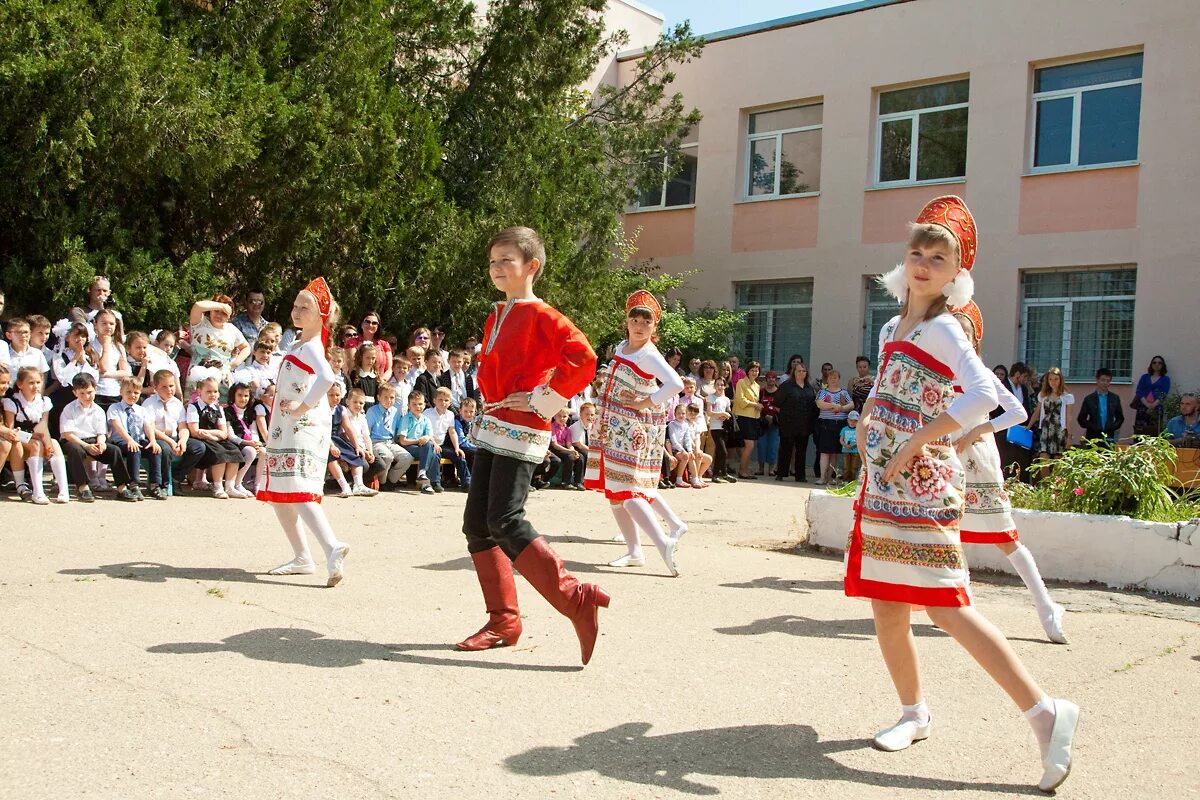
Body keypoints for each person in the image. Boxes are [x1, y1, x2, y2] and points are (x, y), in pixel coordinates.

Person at [850, 196, 1077, 793]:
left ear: (955, 274)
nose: (924, 263)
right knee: (888, 609)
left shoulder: (946, 326)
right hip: (883, 487)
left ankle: (1044, 712)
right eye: (917, 253)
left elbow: (982, 397)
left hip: (921, 488)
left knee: (947, 606)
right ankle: (912, 712)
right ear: (905, 261)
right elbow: (893, 389)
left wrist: (915, 442)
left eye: (938, 256)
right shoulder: (890, 327)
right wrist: (873, 416)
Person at [455, 226, 608, 665]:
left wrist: (545, 397)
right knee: (477, 524)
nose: (497, 267)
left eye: (507, 260)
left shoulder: (543, 315)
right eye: (492, 261)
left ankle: (576, 597)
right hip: (494, 420)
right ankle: (504, 620)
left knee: (503, 518)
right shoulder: (497, 313)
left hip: (522, 424)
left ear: (531, 266)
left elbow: (583, 357)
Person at [950, 301, 1066, 644]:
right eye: (952, 332)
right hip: (944, 460)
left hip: (978, 460)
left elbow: (1016, 411)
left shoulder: (981, 373)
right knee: (949, 534)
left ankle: (1046, 606)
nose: (959, 338)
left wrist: (978, 430)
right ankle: (961, 603)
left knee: (1004, 537)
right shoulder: (938, 374)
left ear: (974, 340)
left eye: (965, 332)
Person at [585, 290, 687, 576]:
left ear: (654, 327)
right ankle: (634, 551)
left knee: (629, 492)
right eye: (635, 318)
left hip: (631, 431)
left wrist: (645, 402)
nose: (640, 324)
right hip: (613, 428)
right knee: (614, 493)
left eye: (647, 321)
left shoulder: (648, 354)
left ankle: (663, 543)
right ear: (627, 321)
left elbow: (675, 383)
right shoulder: (622, 347)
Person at [257, 278, 351, 587]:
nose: (296, 311)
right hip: (287, 428)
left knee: (296, 489)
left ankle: (330, 547)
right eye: (296, 306)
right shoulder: (301, 344)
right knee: (283, 494)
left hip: (298, 428)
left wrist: (303, 407)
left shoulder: (311, 347)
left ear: (321, 315)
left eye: (304, 307)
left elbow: (327, 377)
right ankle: (302, 556)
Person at [58, 373, 136, 503]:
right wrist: (86, 446)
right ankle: (83, 487)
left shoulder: (98, 410)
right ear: (75, 393)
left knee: (114, 451)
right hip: (74, 440)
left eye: (89, 392)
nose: (87, 397)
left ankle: (122, 487)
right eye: (82, 393)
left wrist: (101, 443)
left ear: (95, 389)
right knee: (76, 451)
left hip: (93, 440)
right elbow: (68, 434)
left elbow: (101, 432)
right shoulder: (69, 409)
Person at [3, 366, 70, 503]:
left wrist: (49, 445)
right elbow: (11, 430)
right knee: (36, 444)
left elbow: (43, 426)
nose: (35, 386)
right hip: (19, 437)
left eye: (38, 383)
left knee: (55, 444)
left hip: (38, 436)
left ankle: (64, 490)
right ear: (20, 384)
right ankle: (38, 492)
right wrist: (31, 436)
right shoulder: (12, 402)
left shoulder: (44, 402)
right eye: (31, 383)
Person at [186, 377, 245, 499]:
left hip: (216, 439)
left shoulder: (218, 409)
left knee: (234, 451)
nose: (212, 395)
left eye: (215, 391)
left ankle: (230, 486)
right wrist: (213, 434)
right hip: (201, 441)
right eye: (208, 391)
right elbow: (195, 431)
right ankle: (217, 486)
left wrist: (209, 433)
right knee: (220, 453)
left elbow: (224, 433)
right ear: (199, 391)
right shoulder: (193, 407)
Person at [106, 376, 160, 501]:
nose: (132, 395)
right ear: (121, 392)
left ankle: (154, 484)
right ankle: (134, 484)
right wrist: (129, 440)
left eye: (136, 392)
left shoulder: (142, 410)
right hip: (121, 440)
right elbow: (117, 425)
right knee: (134, 450)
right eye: (128, 392)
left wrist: (153, 440)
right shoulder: (114, 408)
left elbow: (147, 426)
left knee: (154, 449)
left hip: (138, 439)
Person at [188, 295, 249, 395]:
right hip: (198, 376)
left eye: (224, 313)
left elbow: (246, 347)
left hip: (222, 378)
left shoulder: (232, 329)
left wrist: (235, 363)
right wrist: (222, 306)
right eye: (216, 311)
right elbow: (197, 306)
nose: (219, 315)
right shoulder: (200, 323)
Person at [143, 369, 187, 498]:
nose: (169, 390)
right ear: (155, 387)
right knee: (166, 449)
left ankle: (177, 478)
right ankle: (163, 485)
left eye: (171, 386)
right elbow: (150, 428)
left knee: (198, 448)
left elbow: (183, 426)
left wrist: (182, 441)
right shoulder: (148, 404)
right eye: (164, 387)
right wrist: (171, 442)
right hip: (157, 437)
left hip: (174, 437)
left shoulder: (177, 404)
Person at [365, 383, 413, 490]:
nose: (389, 400)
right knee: (388, 456)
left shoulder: (396, 412)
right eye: (385, 397)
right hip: (376, 441)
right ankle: (382, 482)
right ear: (378, 397)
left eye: (392, 397)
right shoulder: (372, 411)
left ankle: (391, 480)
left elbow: (396, 430)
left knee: (407, 457)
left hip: (390, 442)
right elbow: (367, 431)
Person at [1026, 367, 1074, 474]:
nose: (1053, 382)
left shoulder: (1067, 397)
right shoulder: (1042, 395)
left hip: (1060, 430)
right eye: (1050, 379)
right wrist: (1029, 426)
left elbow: (1069, 417)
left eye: (1056, 379)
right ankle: (1045, 486)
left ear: (1060, 380)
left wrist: (1070, 436)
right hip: (1045, 429)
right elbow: (1037, 412)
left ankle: (1055, 488)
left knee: (1058, 462)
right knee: (1044, 459)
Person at [775, 361, 817, 482]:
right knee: (785, 449)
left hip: (804, 425)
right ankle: (781, 473)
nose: (801, 373)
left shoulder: (809, 387)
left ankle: (800, 476)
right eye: (799, 371)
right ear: (794, 372)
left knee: (801, 451)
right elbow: (777, 404)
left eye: (804, 371)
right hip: (788, 424)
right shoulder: (787, 386)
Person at [425, 386, 470, 491]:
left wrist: (457, 447)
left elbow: (452, 431)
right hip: (430, 442)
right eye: (440, 400)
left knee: (459, 455)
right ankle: (435, 482)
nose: (443, 402)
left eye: (446, 400)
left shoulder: (450, 415)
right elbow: (425, 431)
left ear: (450, 402)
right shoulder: (428, 413)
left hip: (442, 444)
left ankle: (466, 482)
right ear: (434, 400)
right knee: (435, 455)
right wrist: (434, 443)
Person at [223, 382, 263, 498]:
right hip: (235, 443)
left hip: (249, 443)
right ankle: (237, 483)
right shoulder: (228, 411)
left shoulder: (250, 412)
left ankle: (257, 484)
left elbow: (253, 430)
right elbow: (230, 435)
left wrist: (255, 442)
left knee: (263, 452)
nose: (243, 398)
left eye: (246, 396)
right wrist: (246, 443)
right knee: (250, 452)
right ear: (233, 396)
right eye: (239, 395)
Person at [814, 369, 853, 484]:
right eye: (831, 378)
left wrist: (841, 408)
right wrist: (833, 405)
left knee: (834, 453)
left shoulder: (844, 393)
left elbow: (851, 405)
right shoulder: (822, 392)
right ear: (827, 379)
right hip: (826, 424)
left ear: (839, 379)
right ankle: (822, 477)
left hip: (839, 425)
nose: (833, 380)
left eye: (835, 377)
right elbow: (819, 404)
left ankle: (830, 477)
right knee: (825, 452)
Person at [88, 309, 130, 410]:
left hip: (115, 393)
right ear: (96, 324)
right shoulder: (90, 346)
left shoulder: (118, 347)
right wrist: (106, 345)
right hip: (97, 393)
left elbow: (126, 372)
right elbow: (103, 367)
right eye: (104, 323)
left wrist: (107, 374)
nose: (108, 327)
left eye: (111, 324)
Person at [1076, 368, 1124, 446]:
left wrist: (1112, 427)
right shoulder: (1089, 399)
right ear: (1097, 380)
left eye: (1108, 381)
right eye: (1103, 380)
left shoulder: (1114, 398)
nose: (1105, 383)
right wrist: (1092, 426)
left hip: (1109, 436)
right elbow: (1081, 419)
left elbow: (1120, 418)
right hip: (1093, 437)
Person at [732, 361, 763, 479]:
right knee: (749, 445)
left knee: (749, 446)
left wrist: (757, 407)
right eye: (752, 370)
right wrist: (755, 404)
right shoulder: (741, 382)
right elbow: (741, 400)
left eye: (757, 370)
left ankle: (744, 469)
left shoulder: (757, 385)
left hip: (754, 417)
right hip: (743, 417)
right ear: (748, 371)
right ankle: (742, 471)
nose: (755, 372)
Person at [343, 310, 393, 381]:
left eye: (374, 323)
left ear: (378, 326)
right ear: (361, 324)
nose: (370, 325)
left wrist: (381, 382)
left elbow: (389, 369)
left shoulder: (384, 345)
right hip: (359, 383)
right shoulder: (352, 342)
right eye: (367, 322)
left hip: (381, 384)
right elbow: (352, 365)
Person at [1131, 355, 1170, 436]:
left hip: (1157, 408)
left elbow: (1164, 393)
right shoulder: (1144, 377)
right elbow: (1139, 391)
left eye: (1159, 363)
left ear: (1163, 365)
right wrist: (1147, 404)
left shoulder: (1165, 379)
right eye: (1154, 362)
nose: (1157, 364)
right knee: (1140, 431)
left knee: (1154, 431)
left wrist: (1152, 406)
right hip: (1142, 407)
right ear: (1151, 364)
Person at [706, 377, 734, 483]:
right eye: (718, 384)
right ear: (714, 386)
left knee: (720, 452)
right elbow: (709, 412)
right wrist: (721, 414)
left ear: (725, 386)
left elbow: (729, 412)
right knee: (723, 451)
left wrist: (726, 416)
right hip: (715, 427)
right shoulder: (711, 398)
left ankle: (716, 474)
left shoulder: (726, 399)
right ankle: (724, 473)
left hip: (724, 427)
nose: (720, 387)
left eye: (722, 385)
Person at [548, 408, 582, 489]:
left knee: (580, 457)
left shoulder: (567, 429)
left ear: (568, 418)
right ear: (554, 416)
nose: (562, 418)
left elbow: (569, 444)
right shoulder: (552, 427)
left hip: (564, 448)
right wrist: (569, 451)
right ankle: (565, 482)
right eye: (559, 416)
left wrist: (573, 451)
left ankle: (578, 482)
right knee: (569, 457)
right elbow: (554, 444)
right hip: (554, 448)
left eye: (564, 416)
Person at [756, 370, 780, 477]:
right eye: (769, 377)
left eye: (773, 377)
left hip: (775, 423)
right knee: (761, 445)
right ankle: (761, 468)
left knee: (773, 446)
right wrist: (764, 415)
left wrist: (773, 415)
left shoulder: (780, 392)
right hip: (762, 423)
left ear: (776, 379)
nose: (771, 379)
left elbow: (782, 407)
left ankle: (771, 469)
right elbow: (757, 404)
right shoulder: (761, 391)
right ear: (766, 379)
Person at [839, 410, 860, 483]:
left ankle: (852, 481)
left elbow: (860, 440)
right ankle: (845, 480)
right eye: (851, 420)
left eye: (855, 421)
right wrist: (845, 445)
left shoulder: (859, 430)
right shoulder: (844, 429)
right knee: (846, 467)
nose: (853, 422)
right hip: (846, 450)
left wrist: (854, 444)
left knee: (854, 467)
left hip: (855, 450)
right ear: (848, 420)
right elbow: (841, 440)